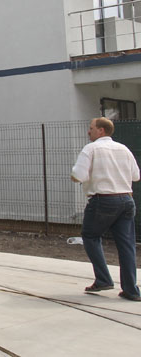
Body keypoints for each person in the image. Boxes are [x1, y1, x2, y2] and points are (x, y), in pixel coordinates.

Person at [70, 117, 140, 301]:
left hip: (103, 200)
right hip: (126, 200)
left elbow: (78, 174)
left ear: (101, 130)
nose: (89, 131)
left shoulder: (91, 148)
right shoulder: (124, 149)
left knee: (90, 236)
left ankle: (103, 279)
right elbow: (136, 176)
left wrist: (76, 178)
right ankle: (131, 290)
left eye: (91, 128)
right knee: (126, 245)